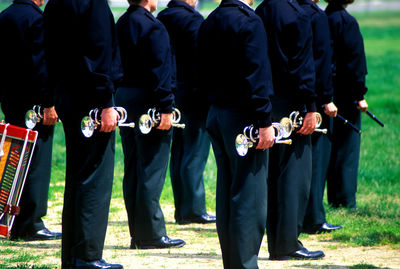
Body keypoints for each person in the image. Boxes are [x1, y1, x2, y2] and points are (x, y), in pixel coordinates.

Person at [43, 0, 123, 268]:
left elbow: (49, 53)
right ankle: (87, 254)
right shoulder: (93, 4)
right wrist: (106, 103)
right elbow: (98, 53)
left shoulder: (56, 3)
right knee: (95, 177)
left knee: (76, 177)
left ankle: (73, 254)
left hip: (66, 95)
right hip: (91, 100)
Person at [197, 0, 275, 267]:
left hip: (217, 113)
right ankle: (245, 264)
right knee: (249, 194)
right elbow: (258, 74)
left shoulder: (210, 21)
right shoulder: (249, 21)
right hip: (244, 117)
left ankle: (232, 262)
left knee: (228, 190)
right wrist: (265, 120)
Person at [255, 0, 325, 260]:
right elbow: (303, 66)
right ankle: (287, 244)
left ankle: (277, 241)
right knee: (295, 178)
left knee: (272, 177)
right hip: (293, 107)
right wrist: (309, 106)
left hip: (268, 104)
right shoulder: (298, 14)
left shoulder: (262, 10)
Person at [115, 0, 185, 249]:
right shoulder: (153, 27)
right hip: (149, 102)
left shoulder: (121, 23)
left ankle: (138, 231)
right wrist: (166, 107)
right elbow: (161, 71)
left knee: (133, 167)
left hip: (125, 99)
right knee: (152, 169)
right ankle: (151, 234)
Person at [0, 0, 61, 241]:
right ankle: (31, 221)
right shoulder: (36, 19)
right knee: (36, 162)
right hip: (34, 102)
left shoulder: (4, 16)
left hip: (11, 99)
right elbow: (41, 65)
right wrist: (49, 102)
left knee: (13, 159)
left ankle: (11, 217)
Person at [157, 0, 216, 225]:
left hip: (173, 93)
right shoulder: (193, 20)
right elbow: (202, 61)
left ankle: (183, 207)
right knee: (195, 152)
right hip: (195, 95)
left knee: (179, 151)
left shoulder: (163, 17)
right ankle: (192, 208)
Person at [297, 0, 343, 234]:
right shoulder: (316, 15)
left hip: (290, 99)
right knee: (316, 160)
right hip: (314, 99)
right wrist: (326, 99)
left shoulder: (292, 10)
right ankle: (314, 217)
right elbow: (322, 62)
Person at [325, 0, 368, 209]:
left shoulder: (325, 17)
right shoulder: (346, 21)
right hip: (347, 96)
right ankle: (345, 200)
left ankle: (333, 197)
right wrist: (360, 94)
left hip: (328, 95)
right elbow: (355, 62)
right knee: (348, 149)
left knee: (331, 149)